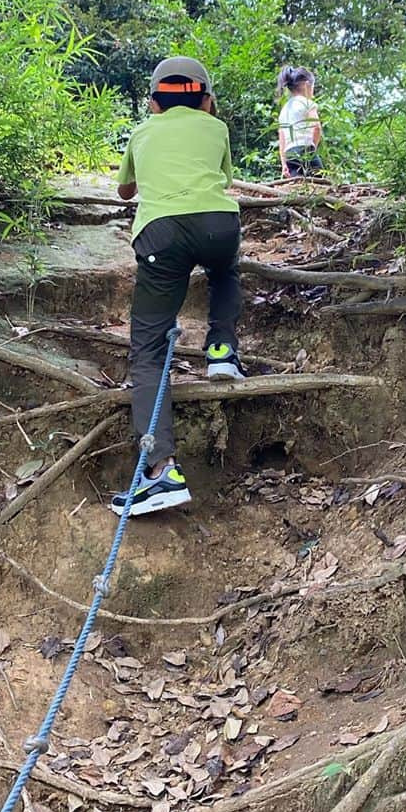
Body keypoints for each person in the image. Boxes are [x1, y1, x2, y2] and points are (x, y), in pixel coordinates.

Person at [112, 56, 245, 517]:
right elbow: (223, 180)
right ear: (207, 101)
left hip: (160, 234)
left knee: (148, 348)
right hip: (217, 225)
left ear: (153, 104)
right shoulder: (217, 128)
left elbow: (125, 191)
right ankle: (222, 351)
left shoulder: (142, 132)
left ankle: (159, 470)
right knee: (226, 269)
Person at [276, 65, 323, 178]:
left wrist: (284, 164)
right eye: (313, 88)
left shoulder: (284, 110)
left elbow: (282, 140)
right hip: (306, 149)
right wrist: (313, 148)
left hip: (290, 154)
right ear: (307, 85)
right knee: (320, 182)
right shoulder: (307, 103)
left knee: (296, 183)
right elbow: (316, 127)